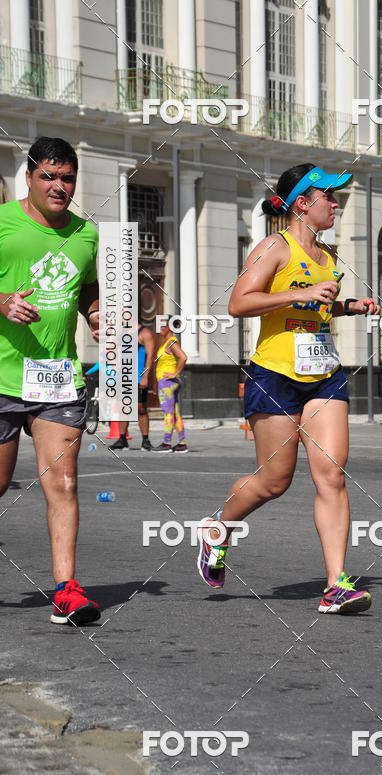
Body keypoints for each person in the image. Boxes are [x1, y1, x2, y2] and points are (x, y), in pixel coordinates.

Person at [197, 163, 380, 614]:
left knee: (333, 475)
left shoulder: (328, 257)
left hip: (324, 375)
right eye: (328, 198)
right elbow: (240, 302)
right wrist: (297, 295)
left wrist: (349, 307)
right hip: (274, 376)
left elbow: (318, 308)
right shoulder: (272, 248)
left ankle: (336, 583)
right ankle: (218, 528)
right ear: (302, 203)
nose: (336, 205)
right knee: (273, 482)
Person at [0, 137, 101, 626]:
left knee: (63, 481)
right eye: (49, 177)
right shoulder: (3, 224)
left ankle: (66, 590)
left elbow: (87, 288)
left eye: (67, 178)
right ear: (29, 177)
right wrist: (2, 303)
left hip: (58, 378)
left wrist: (98, 311)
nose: (59, 186)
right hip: (1, 376)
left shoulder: (86, 234)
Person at [109, 322, 155, 451]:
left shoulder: (144, 333)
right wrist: (114, 364)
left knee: (141, 408)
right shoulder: (121, 332)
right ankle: (122, 439)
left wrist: (145, 377)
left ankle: (145, 440)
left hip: (138, 377)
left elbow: (150, 357)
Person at [153, 322, 188, 453]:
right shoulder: (169, 342)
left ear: (170, 327)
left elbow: (183, 357)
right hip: (172, 383)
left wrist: (175, 373)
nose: (160, 328)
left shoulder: (170, 342)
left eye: (163, 326)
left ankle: (166, 443)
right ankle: (182, 444)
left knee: (168, 413)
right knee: (176, 413)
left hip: (167, 382)